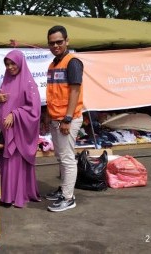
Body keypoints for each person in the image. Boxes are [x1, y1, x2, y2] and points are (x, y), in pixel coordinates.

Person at [44, 25, 84, 212]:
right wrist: (48, 115)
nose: (56, 45)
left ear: (67, 41)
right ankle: (64, 190)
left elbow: (74, 91)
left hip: (67, 119)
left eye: (59, 42)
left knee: (67, 159)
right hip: (55, 118)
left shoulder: (72, 62)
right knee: (60, 156)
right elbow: (54, 93)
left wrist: (67, 118)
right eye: (52, 43)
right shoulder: (53, 63)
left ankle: (68, 198)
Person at [0, 50, 41, 208]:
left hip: (18, 132)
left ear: (20, 62)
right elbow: (0, 103)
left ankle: (18, 195)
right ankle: (6, 195)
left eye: (13, 63)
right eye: (7, 64)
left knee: (15, 163)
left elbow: (34, 109)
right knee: (5, 163)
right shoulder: (6, 81)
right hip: (5, 133)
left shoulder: (28, 82)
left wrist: (15, 114)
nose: (10, 67)